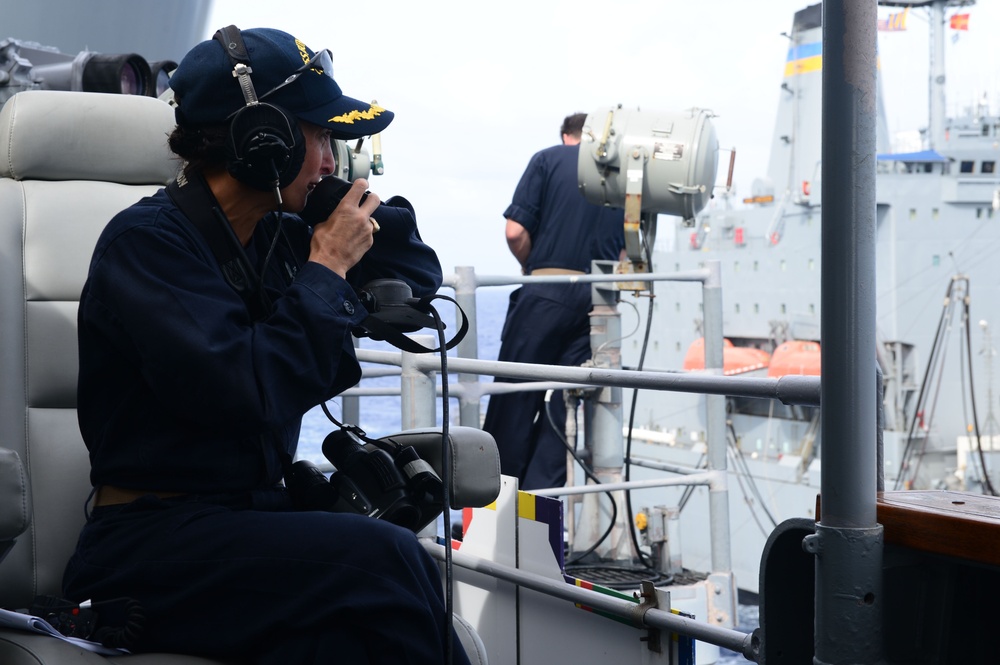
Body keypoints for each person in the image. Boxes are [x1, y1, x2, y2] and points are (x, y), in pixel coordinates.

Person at [61, 26, 470, 665]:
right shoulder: (145, 246)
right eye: (318, 138)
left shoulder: (276, 236)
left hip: (241, 522)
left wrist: (339, 208)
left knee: (367, 620)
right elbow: (245, 389)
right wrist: (327, 266)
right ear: (264, 142)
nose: (331, 158)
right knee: (387, 566)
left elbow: (416, 271)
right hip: (147, 546)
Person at [483, 113, 625, 491]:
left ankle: (490, 512)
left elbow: (515, 232)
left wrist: (535, 270)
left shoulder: (548, 159)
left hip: (547, 290)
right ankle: (538, 513)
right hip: (600, 302)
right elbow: (628, 255)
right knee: (562, 413)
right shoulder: (624, 172)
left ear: (567, 136)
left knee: (512, 403)